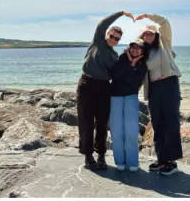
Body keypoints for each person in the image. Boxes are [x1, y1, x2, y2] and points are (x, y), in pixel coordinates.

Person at [77, 10, 132, 170]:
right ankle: (88, 155)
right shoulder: (98, 42)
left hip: (103, 88)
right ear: (107, 34)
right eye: (112, 36)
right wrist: (121, 13)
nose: (114, 40)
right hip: (86, 85)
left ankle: (101, 155)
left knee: (101, 123)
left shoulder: (115, 56)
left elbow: (120, 75)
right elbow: (102, 24)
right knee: (86, 121)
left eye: (117, 39)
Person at [135, 13, 182, 176]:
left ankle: (172, 161)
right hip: (154, 89)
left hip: (169, 85)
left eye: (151, 33)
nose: (148, 35)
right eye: (145, 34)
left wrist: (148, 16)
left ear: (156, 35)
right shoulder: (143, 52)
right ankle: (161, 159)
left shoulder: (165, 44)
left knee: (171, 122)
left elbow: (165, 22)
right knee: (157, 123)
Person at [109, 39, 148, 172]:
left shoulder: (142, 65)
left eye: (138, 48)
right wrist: (130, 65)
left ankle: (132, 162)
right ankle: (120, 161)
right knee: (116, 130)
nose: (135, 50)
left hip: (131, 97)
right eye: (133, 47)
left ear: (142, 50)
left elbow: (134, 83)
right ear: (129, 48)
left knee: (131, 131)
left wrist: (132, 65)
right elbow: (115, 75)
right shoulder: (121, 59)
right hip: (115, 97)